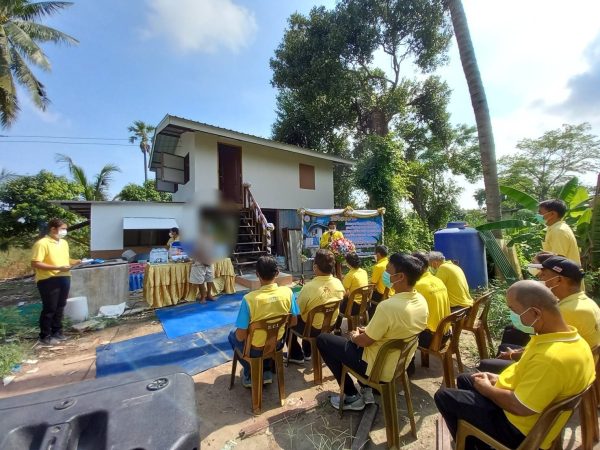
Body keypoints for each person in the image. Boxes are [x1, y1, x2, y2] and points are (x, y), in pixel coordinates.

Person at [435, 280, 595, 450]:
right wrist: (496, 378)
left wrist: (488, 389)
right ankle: (471, 436)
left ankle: (477, 444)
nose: (512, 316)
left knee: (444, 396)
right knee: (466, 379)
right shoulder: (569, 339)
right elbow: (527, 374)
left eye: (514, 310)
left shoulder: (551, 358)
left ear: (535, 313)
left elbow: (520, 407)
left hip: (519, 429)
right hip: (529, 405)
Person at [317, 253, 428, 411]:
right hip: (397, 365)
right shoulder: (421, 301)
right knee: (349, 340)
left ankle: (351, 396)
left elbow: (364, 341)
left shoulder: (388, 306)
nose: (385, 274)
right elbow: (393, 330)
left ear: (400, 276)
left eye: (388, 270)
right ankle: (366, 387)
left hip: (377, 368)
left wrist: (355, 337)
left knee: (324, 340)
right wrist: (367, 331)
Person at [479, 255, 600, 373]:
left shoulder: (567, 311)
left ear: (558, 279)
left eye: (543, 275)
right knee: (506, 345)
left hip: (565, 369)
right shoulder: (584, 301)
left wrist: (512, 355)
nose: (541, 281)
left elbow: (546, 348)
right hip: (573, 362)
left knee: (486, 366)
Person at [228, 255, 299, 387]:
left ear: (257, 274)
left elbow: (240, 335)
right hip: (277, 345)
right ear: (277, 273)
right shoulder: (288, 293)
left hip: (255, 350)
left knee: (232, 335)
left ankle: (251, 371)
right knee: (267, 337)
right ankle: (265, 370)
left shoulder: (249, 299)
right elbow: (293, 322)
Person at [287, 249, 345, 364]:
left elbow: (297, 311)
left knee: (290, 320)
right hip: (330, 326)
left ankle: (296, 355)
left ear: (315, 267)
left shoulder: (309, 288)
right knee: (311, 316)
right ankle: (308, 351)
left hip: (312, 330)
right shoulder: (338, 282)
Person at [31, 218, 81, 347]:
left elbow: (64, 259)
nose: (65, 231)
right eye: (62, 229)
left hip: (64, 277)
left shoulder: (64, 243)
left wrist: (74, 261)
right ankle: (45, 336)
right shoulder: (42, 243)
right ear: (53, 229)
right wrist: (57, 268)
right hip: (48, 279)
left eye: (65, 229)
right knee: (50, 308)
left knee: (60, 306)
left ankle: (57, 332)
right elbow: (36, 263)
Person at [412, 252, 451, 349]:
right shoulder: (438, 280)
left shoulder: (418, 285)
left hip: (430, 339)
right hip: (445, 335)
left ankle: (407, 363)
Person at [333, 252, 369, 333]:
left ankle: (337, 329)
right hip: (365, 303)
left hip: (354, 306)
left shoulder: (350, 275)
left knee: (338, 304)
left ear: (348, 263)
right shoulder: (364, 272)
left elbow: (343, 292)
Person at [538, 199, 581, 265]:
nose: (538, 215)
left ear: (552, 214)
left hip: (564, 274)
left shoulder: (559, 231)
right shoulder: (554, 228)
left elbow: (558, 260)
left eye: (540, 212)